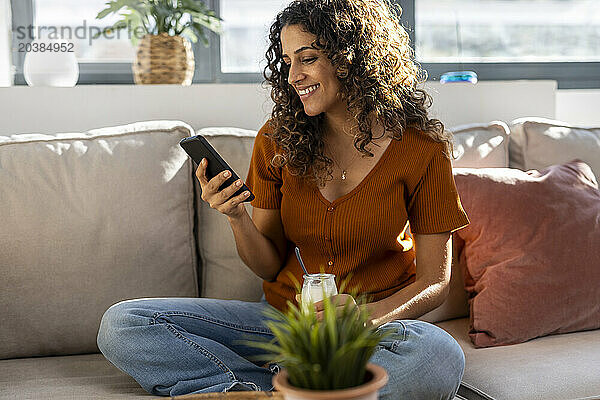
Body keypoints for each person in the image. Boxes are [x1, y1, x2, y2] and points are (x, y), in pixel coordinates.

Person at [97, 0, 470, 399]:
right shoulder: (277, 140)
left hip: (371, 332)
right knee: (125, 323)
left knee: (439, 352)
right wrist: (236, 216)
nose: (293, 75)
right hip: (281, 324)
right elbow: (268, 264)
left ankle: (277, 391)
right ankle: (289, 389)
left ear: (353, 57)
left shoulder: (421, 148)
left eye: (307, 58)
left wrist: (364, 318)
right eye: (287, 60)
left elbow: (435, 281)